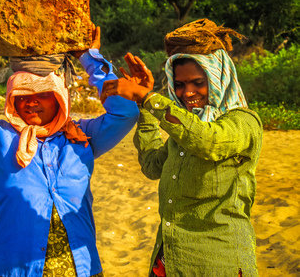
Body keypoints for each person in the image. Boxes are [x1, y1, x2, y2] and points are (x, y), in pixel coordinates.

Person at [0, 8, 139, 277]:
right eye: (22, 94)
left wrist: (89, 57)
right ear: (11, 97)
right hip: (11, 270)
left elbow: (126, 112)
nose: (31, 101)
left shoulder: (80, 136)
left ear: (59, 96)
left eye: (43, 93)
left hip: (81, 269)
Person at [100, 19, 263, 277]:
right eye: (179, 84)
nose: (187, 92)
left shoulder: (243, 122)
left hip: (219, 266)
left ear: (219, 76)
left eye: (198, 82)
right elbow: (152, 166)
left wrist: (146, 97)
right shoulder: (185, 129)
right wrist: (145, 105)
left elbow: (209, 142)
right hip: (168, 263)